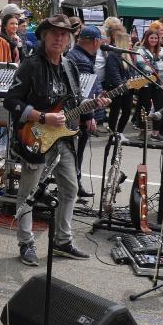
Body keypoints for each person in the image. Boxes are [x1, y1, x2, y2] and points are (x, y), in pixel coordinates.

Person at [4, 14, 110, 266]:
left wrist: (94, 104)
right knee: (28, 193)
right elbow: (11, 101)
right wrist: (42, 117)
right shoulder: (31, 65)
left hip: (62, 139)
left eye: (64, 34)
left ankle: (62, 241)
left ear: (69, 39)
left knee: (70, 189)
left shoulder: (69, 66)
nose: (59, 38)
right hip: (35, 137)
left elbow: (73, 103)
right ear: (44, 36)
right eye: (54, 34)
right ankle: (26, 242)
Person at [66, 26, 103, 198]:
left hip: (76, 113)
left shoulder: (78, 55)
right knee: (76, 153)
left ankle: (75, 184)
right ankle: (74, 186)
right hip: (78, 116)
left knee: (75, 153)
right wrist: (89, 116)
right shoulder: (81, 60)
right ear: (95, 41)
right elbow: (81, 92)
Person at [134, 29, 163, 141]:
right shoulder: (140, 50)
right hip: (144, 82)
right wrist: (158, 63)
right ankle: (142, 131)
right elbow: (142, 65)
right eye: (151, 38)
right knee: (144, 106)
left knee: (160, 106)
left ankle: (155, 133)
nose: (154, 40)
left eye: (156, 38)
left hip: (159, 82)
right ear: (147, 38)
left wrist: (152, 64)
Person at [103, 28, 135, 136]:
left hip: (128, 88)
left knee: (127, 111)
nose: (131, 42)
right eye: (129, 40)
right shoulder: (112, 55)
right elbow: (113, 72)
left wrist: (132, 83)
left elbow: (132, 72)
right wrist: (121, 85)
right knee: (114, 111)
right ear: (124, 42)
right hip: (116, 88)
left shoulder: (128, 56)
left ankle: (120, 132)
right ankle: (112, 131)